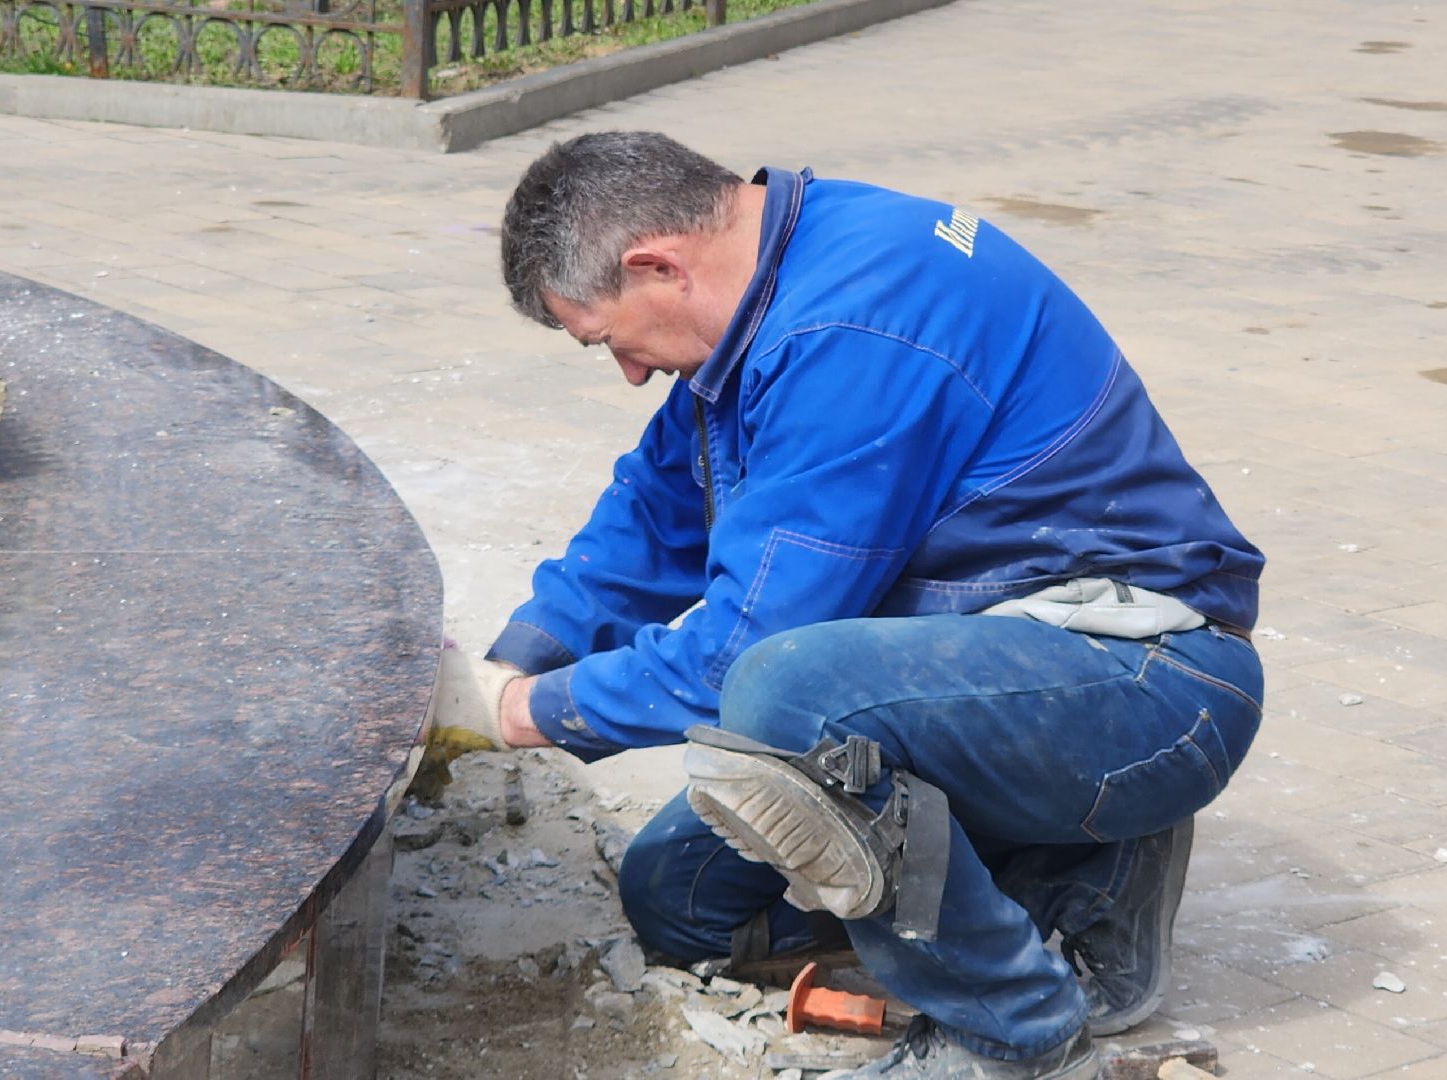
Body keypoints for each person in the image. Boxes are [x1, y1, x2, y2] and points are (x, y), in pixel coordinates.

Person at [434, 131, 1265, 1080]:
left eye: (604, 339)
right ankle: (1061, 879)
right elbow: (657, 510)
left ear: (656, 265)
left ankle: (1012, 1027)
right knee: (679, 897)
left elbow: (744, 650)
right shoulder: (779, 264)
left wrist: (515, 716)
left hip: (1143, 681)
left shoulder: (848, 327)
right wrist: (510, 663)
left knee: (784, 693)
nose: (625, 371)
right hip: (990, 664)